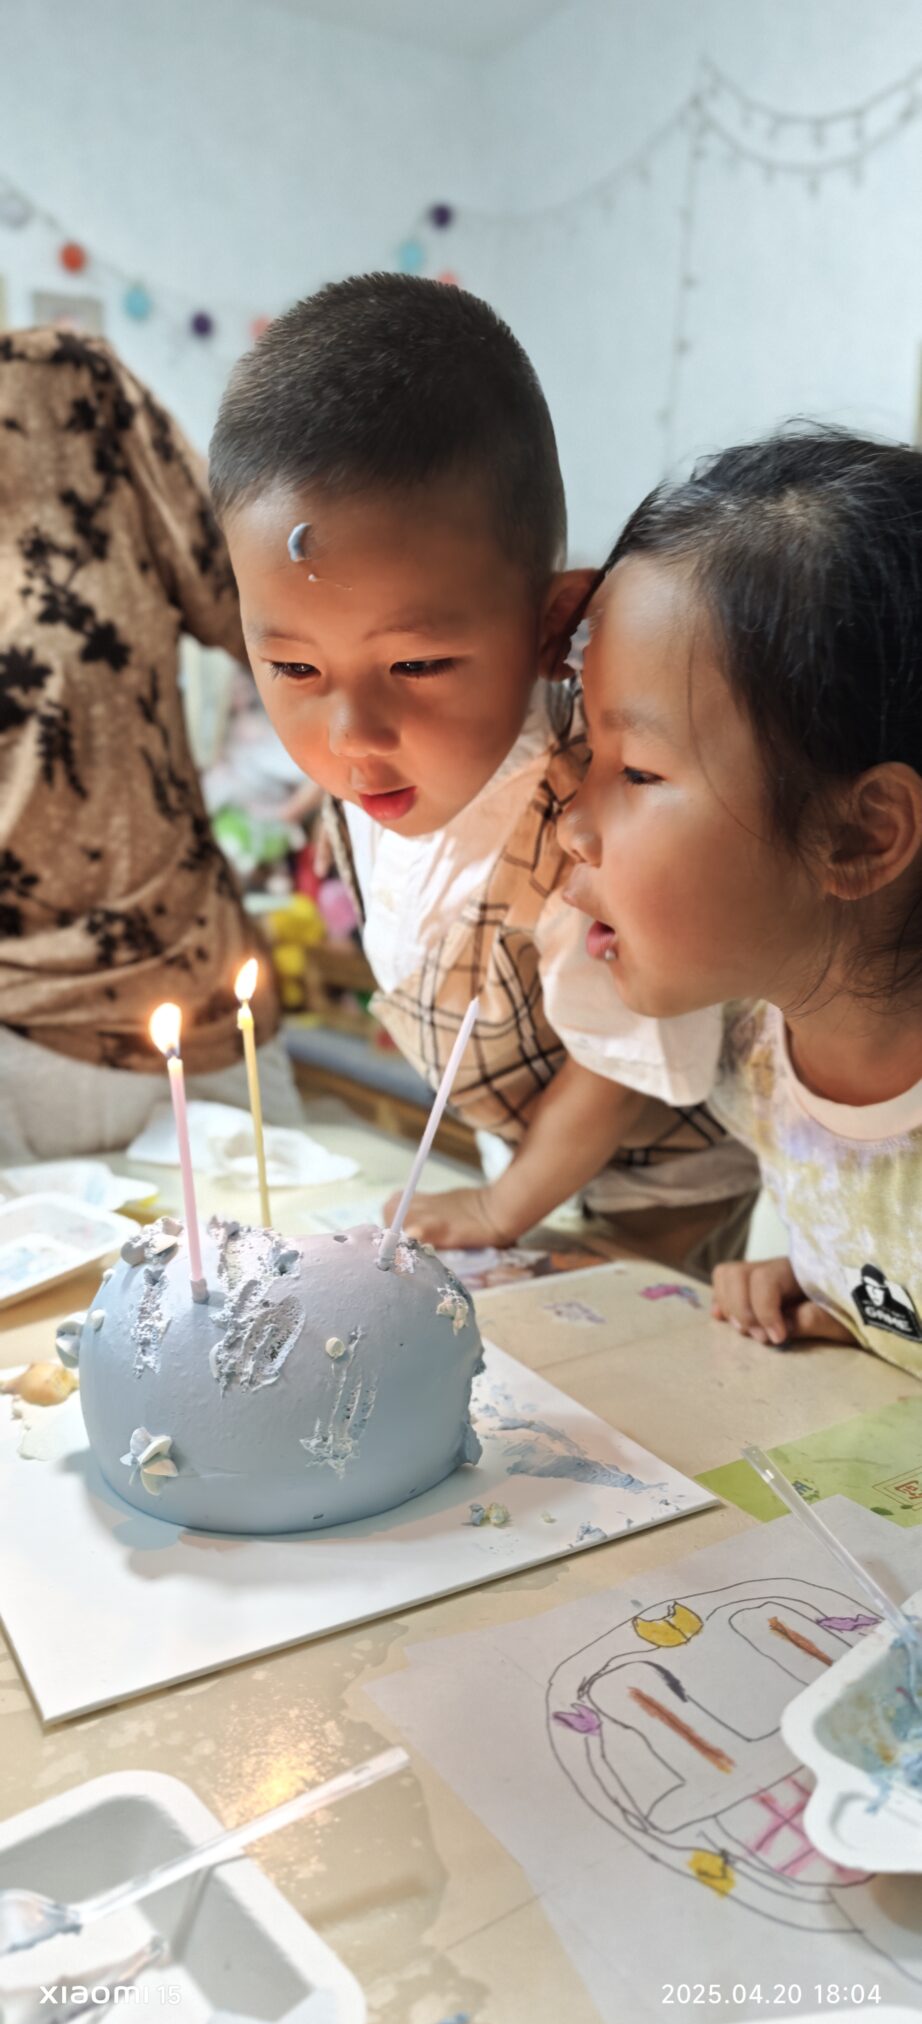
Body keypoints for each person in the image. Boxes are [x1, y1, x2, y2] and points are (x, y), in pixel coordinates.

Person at [209, 273, 757, 1275]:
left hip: (660, 1193)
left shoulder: (593, 820)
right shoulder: (376, 771)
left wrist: (503, 1204)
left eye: (417, 664)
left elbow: (617, 1068)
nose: (353, 736)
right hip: (535, 1163)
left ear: (551, 625)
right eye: (293, 668)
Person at [557, 428, 922, 1372]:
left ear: (860, 834)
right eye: (587, 754)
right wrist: (839, 1289)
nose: (571, 825)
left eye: (637, 772)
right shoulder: (750, 1057)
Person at [0, 328, 302, 1162]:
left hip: (196, 984)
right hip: (13, 1031)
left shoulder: (61, 384)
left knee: (298, 1242)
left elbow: (272, 612)